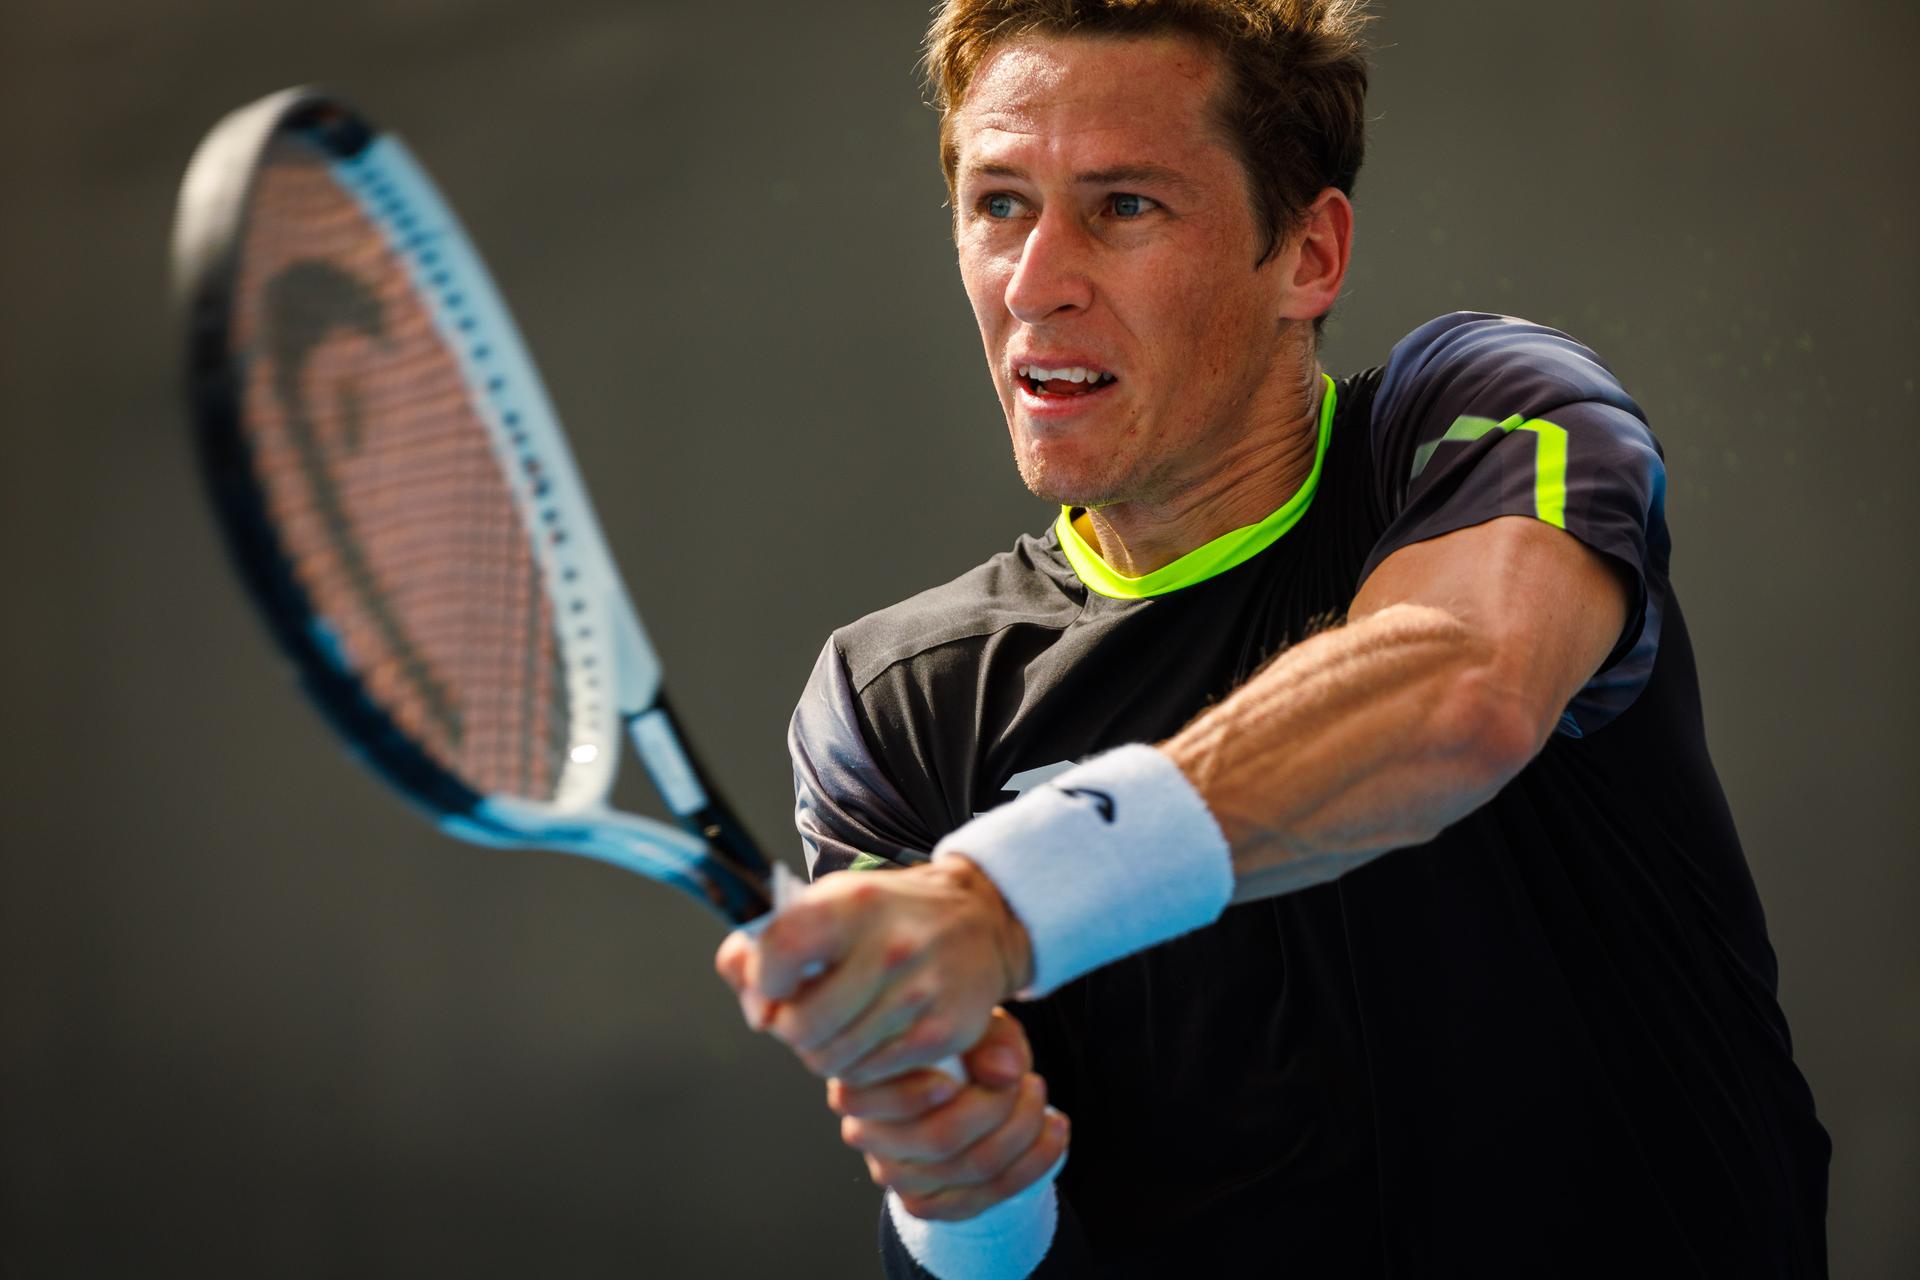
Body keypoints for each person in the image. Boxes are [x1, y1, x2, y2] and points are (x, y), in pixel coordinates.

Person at [715, 1, 1831, 1275]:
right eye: (999, 202)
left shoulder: (1485, 413)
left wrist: (993, 898)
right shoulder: (892, 699)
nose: (1037, 281)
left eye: (1125, 204)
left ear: (1308, 252)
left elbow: (1458, 685)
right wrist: (966, 1195)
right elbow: (976, 1232)